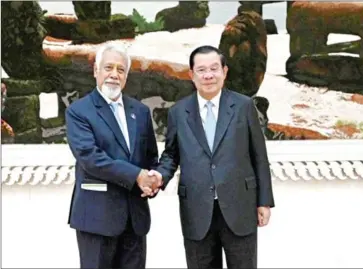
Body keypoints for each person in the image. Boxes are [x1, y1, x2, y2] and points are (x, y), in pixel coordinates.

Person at [149, 45, 275, 268]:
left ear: (224, 71)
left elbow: (259, 155)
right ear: (191, 75)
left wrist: (264, 201)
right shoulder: (179, 112)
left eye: (214, 68)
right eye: (201, 70)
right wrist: (159, 177)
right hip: (196, 209)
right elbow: (171, 155)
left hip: (240, 207)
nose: (208, 75)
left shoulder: (244, 106)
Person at [65, 42, 162, 269]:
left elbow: (150, 157)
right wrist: (137, 175)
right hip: (96, 218)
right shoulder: (79, 111)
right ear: (96, 71)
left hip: (135, 219)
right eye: (108, 67)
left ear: (126, 77)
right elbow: (90, 157)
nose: (114, 75)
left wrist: (154, 178)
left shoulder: (140, 111)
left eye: (121, 70)